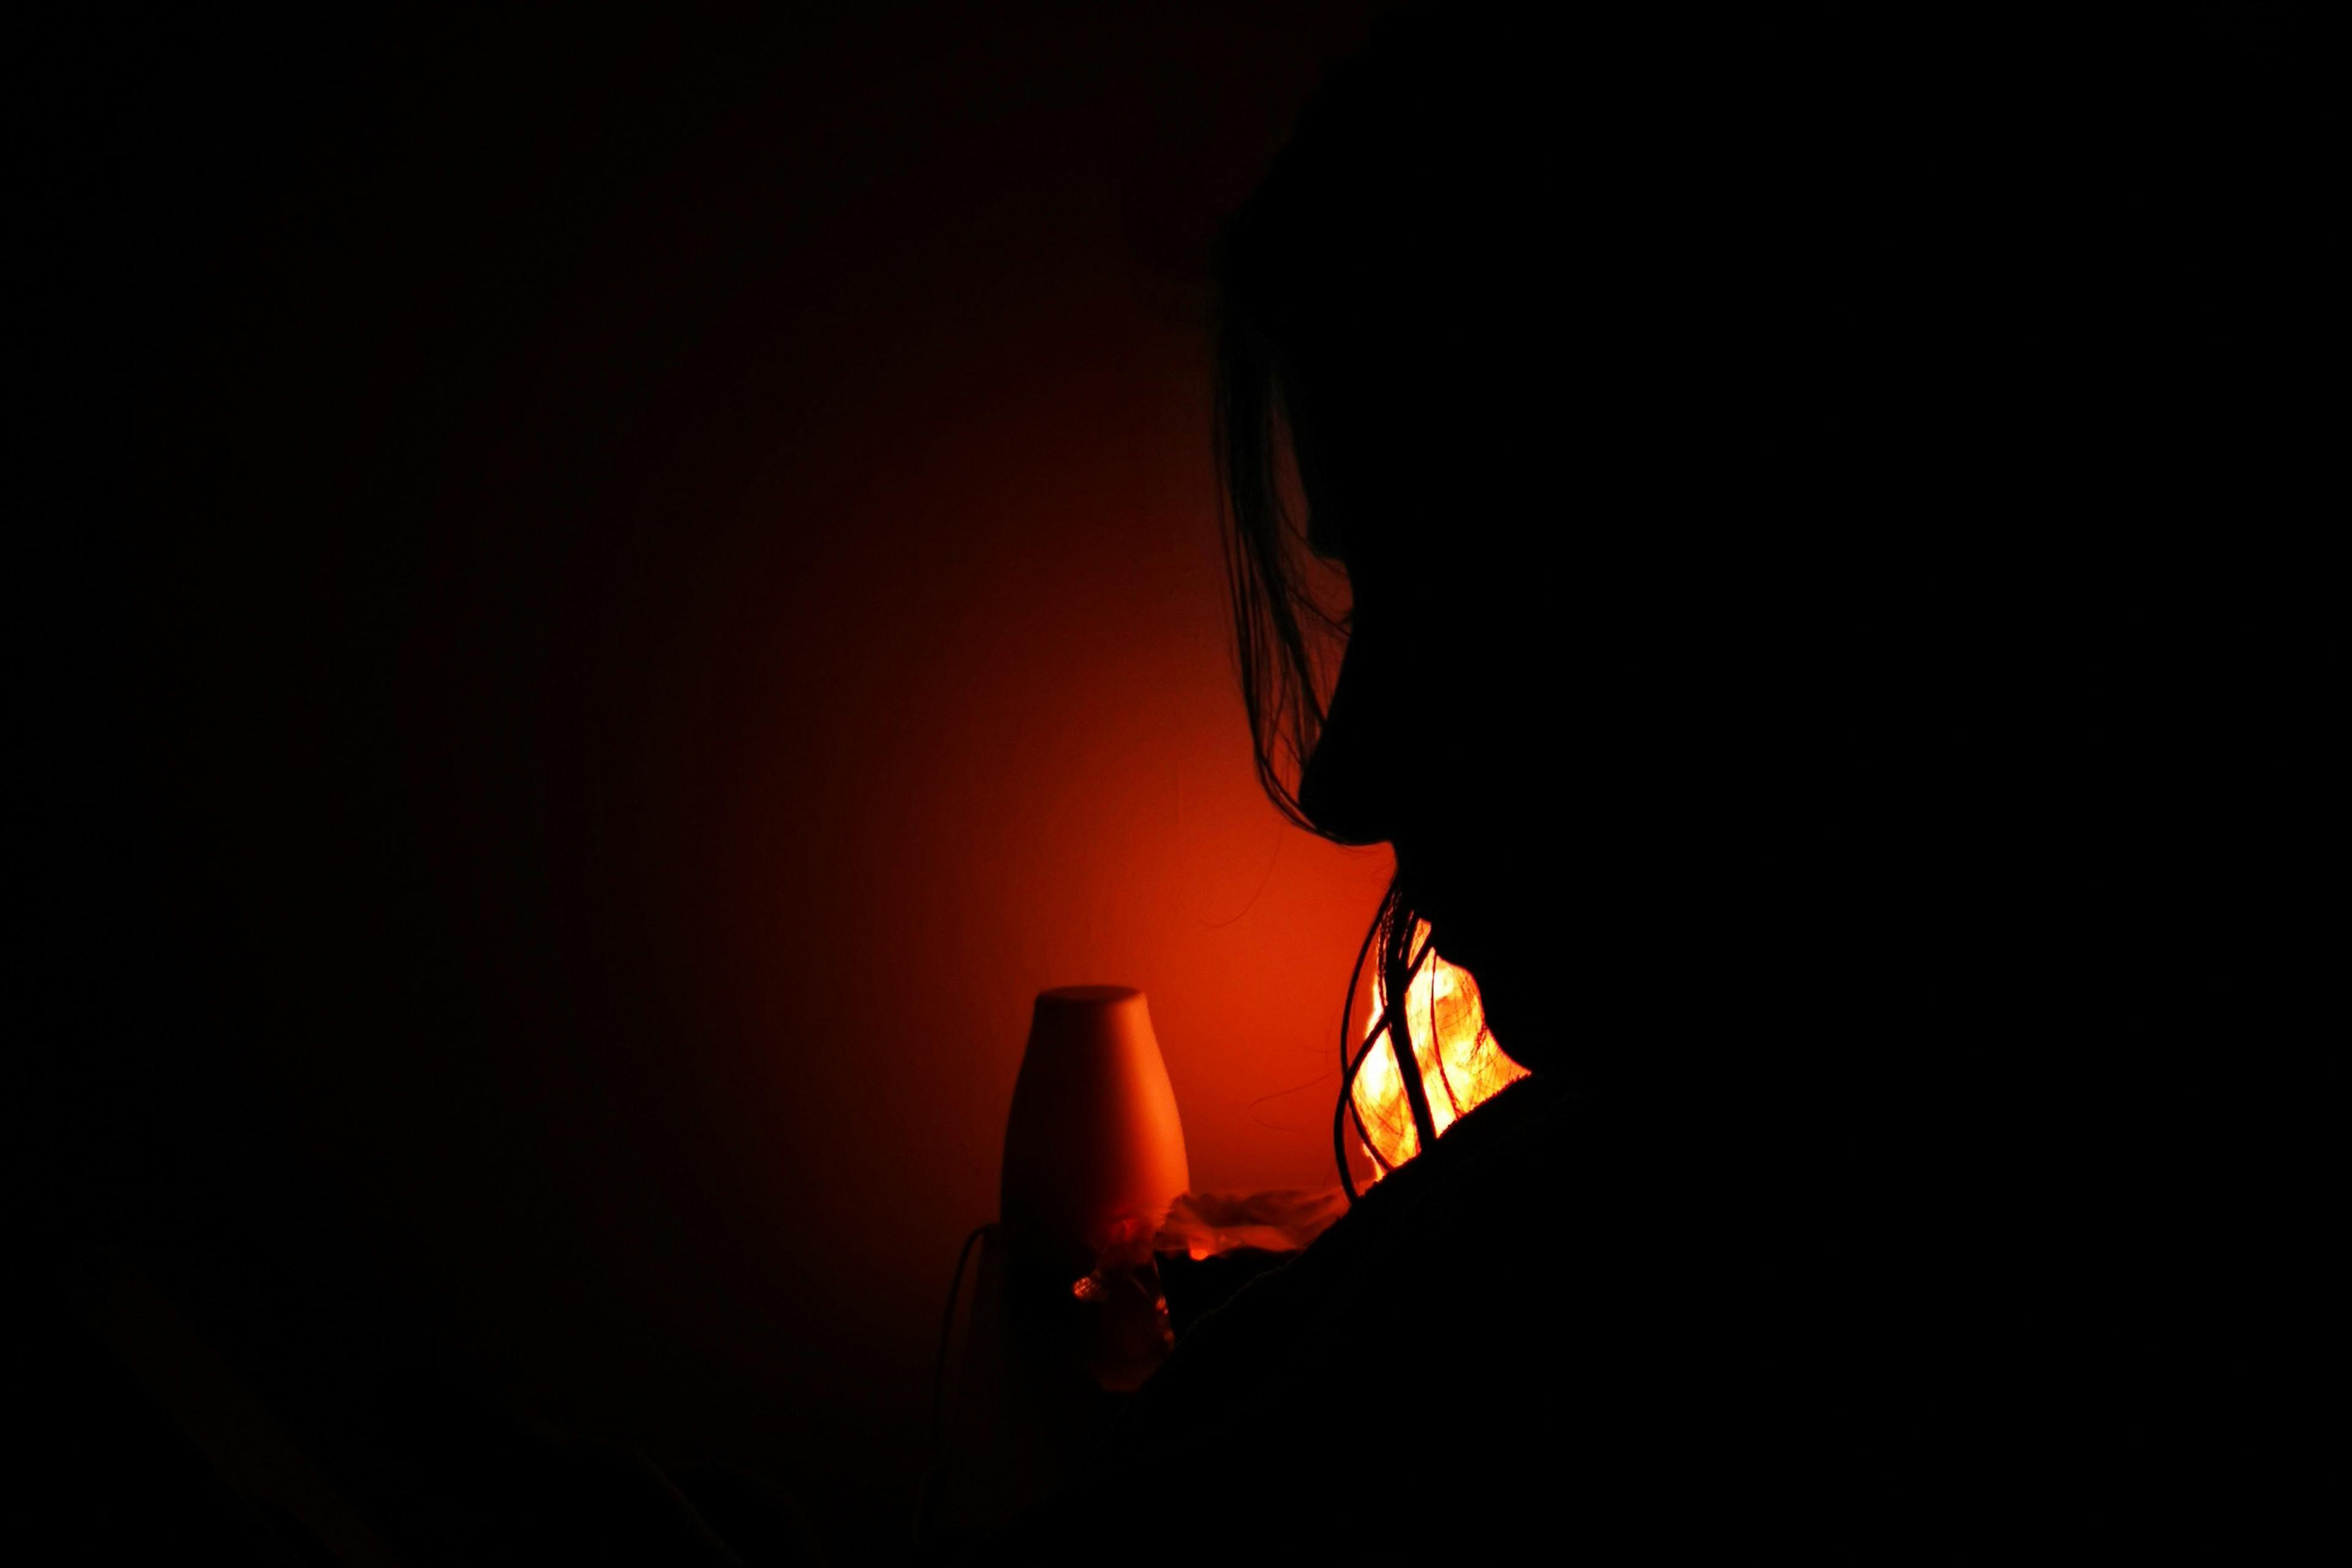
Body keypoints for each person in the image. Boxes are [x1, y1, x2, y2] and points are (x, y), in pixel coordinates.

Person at [984, 6, 2335, 1558]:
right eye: (1368, 599)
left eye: (1470, 594)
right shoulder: (1549, 1218)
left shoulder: (1621, 1310)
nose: (1345, 777)